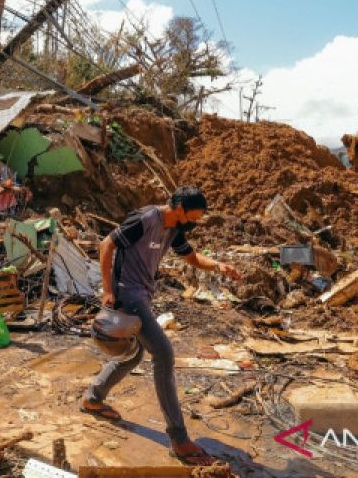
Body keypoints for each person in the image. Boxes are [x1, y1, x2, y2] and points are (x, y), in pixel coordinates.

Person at [81, 186, 242, 466]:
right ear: (179, 208)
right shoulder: (146, 219)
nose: (196, 221)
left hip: (142, 294)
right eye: (194, 215)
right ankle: (179, 439)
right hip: (127, 294)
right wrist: (108, 290)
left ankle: (93, 398)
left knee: (133, 354)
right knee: (164, 354)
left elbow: (191, 258)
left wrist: (219, 266)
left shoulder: (175, 230)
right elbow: (107, 244)